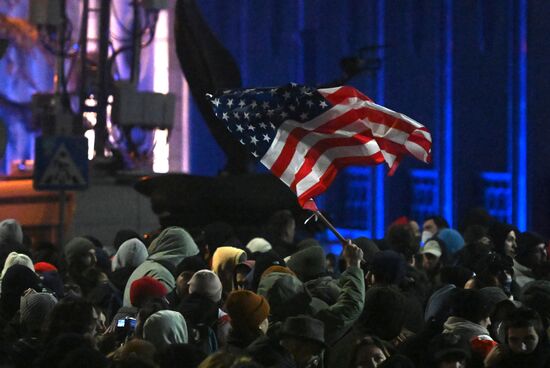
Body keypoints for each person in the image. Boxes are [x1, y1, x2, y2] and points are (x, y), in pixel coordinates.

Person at [123, 227, 200, 306]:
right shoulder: (161, 275)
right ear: (180, 255)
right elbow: (166, 313)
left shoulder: (147, 266)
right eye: (189, 258)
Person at [485, 307, 550, 367]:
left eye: (529, 339)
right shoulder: (499, 359)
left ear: (540, 336)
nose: (522, 347)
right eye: (514, 340)